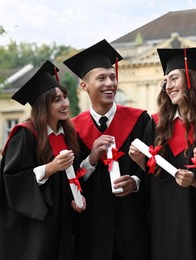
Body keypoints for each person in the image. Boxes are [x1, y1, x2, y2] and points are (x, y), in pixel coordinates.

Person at [129, 47, 196, 260]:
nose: (168, 86)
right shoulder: (156, 125)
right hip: (161, 219)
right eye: (166, 82)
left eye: (173, 79)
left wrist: (195, 181)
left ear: (191, 81)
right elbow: (151, 179)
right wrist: (140, 162)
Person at [0, 60, 85, 260]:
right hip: (34, 229)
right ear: (43, 105)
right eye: (57, 100)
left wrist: (77, 198)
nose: (66, 104)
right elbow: (13, 180)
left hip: (62, 223)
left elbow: (75, 175)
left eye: (65, 97)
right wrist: (50, 168)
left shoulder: (68, 136)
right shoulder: (25, 135)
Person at [63, 39, 151, 260]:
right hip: (90, 231)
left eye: (112, 77)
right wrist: (91, 159)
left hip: (132, 228)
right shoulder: (72, 130)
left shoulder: (140, 120)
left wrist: (137, 181)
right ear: (84, 86)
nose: (110, 83)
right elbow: (68, 181)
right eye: (101, 78)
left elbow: (152, 166)